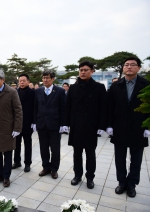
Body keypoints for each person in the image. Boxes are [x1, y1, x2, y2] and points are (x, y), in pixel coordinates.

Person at [107, 57, 150, 198]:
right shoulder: (116, 85)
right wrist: (109, 125)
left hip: (138, 128)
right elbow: (109, 107)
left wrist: (149, 126)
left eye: (133, 65)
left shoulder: (147, 84)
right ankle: (122, 182)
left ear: (139, 68)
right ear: (123, 68)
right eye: (126, 65)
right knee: (119, 158)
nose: (129, 67)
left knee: (136, 159)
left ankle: (132, 184)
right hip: (119, 127)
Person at [65, 61, 107, 189]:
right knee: (76, 153)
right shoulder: (73, 87)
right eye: (81, 70)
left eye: (86, 70)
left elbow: (103, 108)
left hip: (91, 126)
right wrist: (65, 124)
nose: (83, 72)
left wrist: (101, 126)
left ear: (92, 71)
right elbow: (68, 107)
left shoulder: (99, 88)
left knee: (90, 154)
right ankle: (77, 175)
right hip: (76, 125)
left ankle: (90, 177)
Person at [0, 69, 23, 187]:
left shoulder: (12, 92)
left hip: (7, 128)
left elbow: (18, 111)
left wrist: (17, 128)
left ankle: (6, 177)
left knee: (7, 154)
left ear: (3, 80)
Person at [33, 70, 66, 179]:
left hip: (55, 125)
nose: (45, 80)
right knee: (43, 147)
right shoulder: (38, 91)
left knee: (55, 149)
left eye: (47, 78)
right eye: (43, 78)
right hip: (42, 124)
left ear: (53, 79)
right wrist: (34, 122)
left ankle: (54, 169)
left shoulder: (60, 91)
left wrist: (63, 124)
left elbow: (63, 109)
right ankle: (46, 167)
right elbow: (35, 108)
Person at [12, 74, 35, 172]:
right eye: (20, 81)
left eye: (24, 81)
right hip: (17, 122)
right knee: (16, 143)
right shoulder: (15, 92)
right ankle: (17, 161)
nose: (21, 82)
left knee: (27, 143)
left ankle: (27, 163)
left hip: (27, 122)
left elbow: (35, 108)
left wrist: (34, 122)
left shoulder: (33, 93)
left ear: (28, 82)